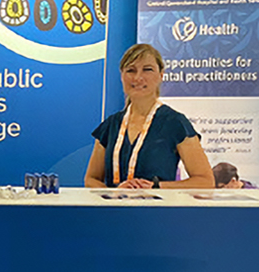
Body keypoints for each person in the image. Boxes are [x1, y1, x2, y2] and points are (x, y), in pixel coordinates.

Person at [84, 44, 214, 189]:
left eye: (147, 70)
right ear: (122, 76)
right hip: (113, 211)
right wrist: (113, 194)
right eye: (131, 70)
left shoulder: (175, 123)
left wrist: (156, 186)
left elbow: (205, 182)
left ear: (161, 75)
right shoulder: (111, 125)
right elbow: (91, 179)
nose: (138, 77)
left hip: (156, 210)